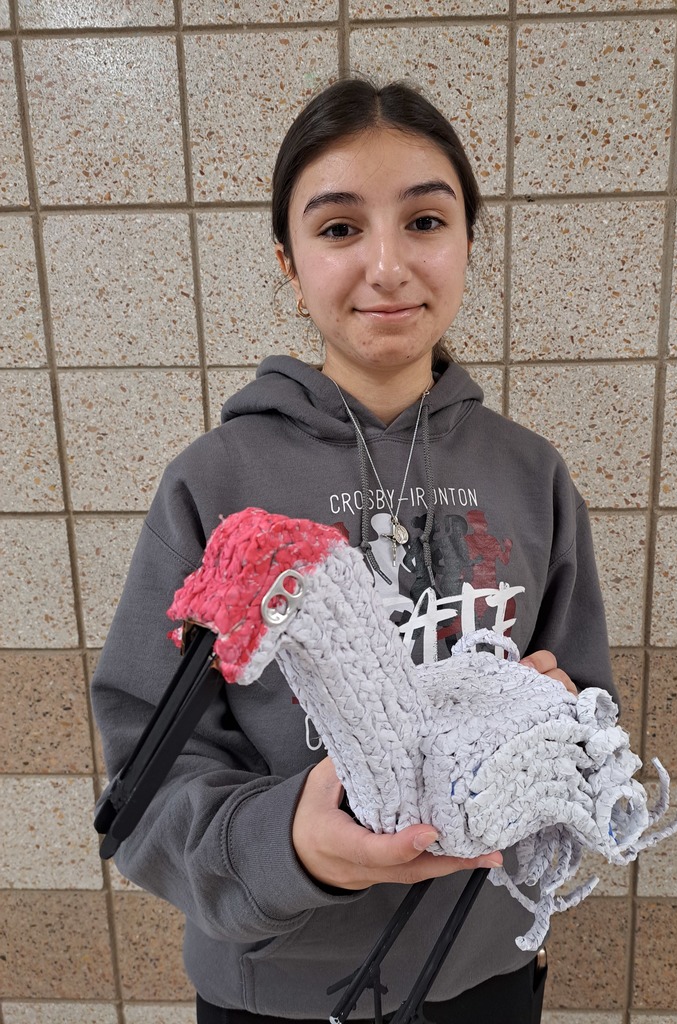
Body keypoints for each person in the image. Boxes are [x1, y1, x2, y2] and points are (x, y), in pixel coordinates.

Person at [92, 77, 616, 1024]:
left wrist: (557, 726)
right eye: (338, 229)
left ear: (466, 245)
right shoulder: (215, 482)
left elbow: (586, 709)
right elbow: (145, 776)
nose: (386, 265)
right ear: (289, 261)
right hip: (273, 986)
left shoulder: (530, 474)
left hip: (480, 971)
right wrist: (289, 842)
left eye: (424, 220)